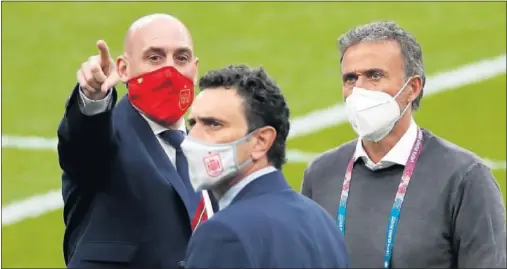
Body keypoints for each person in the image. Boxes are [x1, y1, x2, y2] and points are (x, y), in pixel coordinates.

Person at [301, 21, 506, 268]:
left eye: (374, 76)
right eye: (350, 78)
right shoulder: (321, 175)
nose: (360, 90)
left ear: (412, 88)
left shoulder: (464, 177)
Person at [57, 14, 215, 268]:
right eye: (155, 57)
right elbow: (82, 145)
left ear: (194, 70)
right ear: (123, 68)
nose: (169, 70)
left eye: (181, 58)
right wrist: (93, 98)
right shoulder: (107, 136)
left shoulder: (208, 145)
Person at [180, 64, 348, 268]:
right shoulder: (322, 221)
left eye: (213, 124)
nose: (192, 139)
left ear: (261, 141)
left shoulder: (223, 233)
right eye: (192, 125)